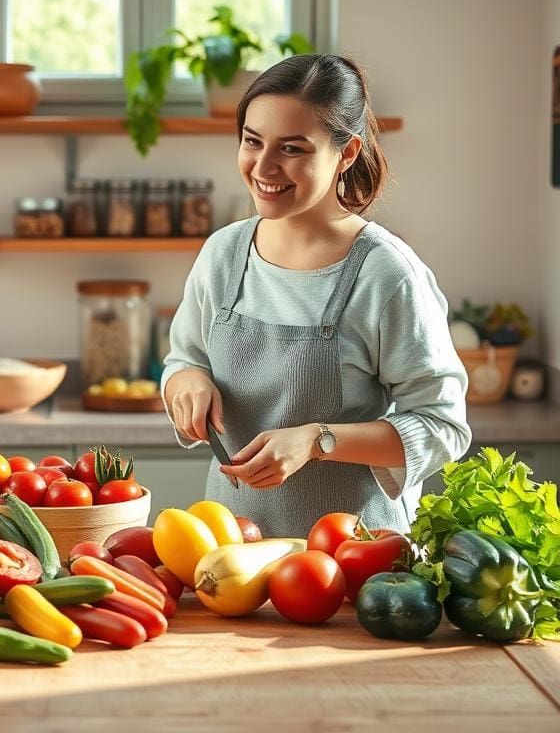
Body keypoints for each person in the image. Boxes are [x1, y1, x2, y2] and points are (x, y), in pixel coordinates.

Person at [161, 54, 471, 538]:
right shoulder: (223, 254)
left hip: (353, 561)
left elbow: (443, 426)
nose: (263, 166)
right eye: (252, 141)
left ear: (346, 154)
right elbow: (183, 360)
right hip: (229, 551)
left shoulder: (387, 274)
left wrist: (315, 440)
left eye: (293, 149)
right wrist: (187, 385)